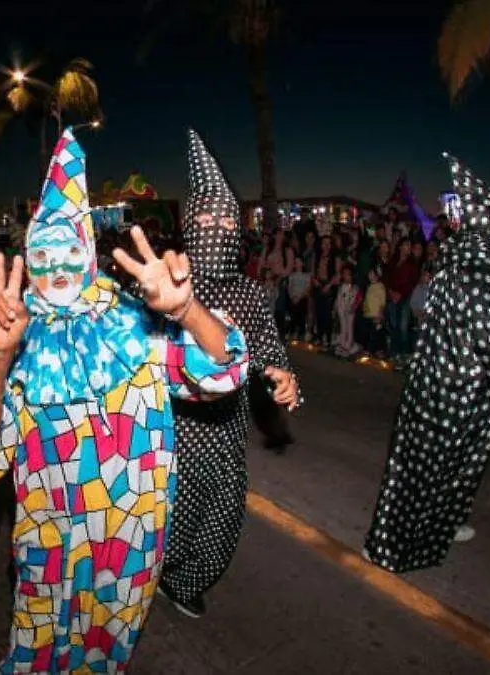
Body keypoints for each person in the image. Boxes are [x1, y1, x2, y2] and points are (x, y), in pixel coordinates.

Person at [0, 129, 250, 672]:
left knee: (106, 661)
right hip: (47, 548)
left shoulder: (137, 327)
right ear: (27, 261)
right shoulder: (17, 336)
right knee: (34, 659)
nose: (58, 266)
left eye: (69, 250)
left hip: (129, 550)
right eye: (42, 253)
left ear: (87, 252)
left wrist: (186, 312)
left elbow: (224, 369)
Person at [363, 154, 490, 572]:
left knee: (446, 470)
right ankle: (387, 545)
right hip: (453, 395)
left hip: (455, 393)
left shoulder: (463, 259)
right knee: (428, 470)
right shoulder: (478, 268)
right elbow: (486, 341)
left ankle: (441, 523)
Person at [158, 129, 300, 619]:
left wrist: (281, 372)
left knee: (223, 526)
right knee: (173, 529)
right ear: (189, 222)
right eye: (205, 214)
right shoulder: (168, 286)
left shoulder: (248, 290)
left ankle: (183, 583)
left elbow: (265, 345)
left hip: (231, 435)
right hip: (177, 440)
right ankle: (148, 578)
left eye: (225, 216)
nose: (217, 224)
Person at [334, 265, 361, 357]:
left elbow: (356, 299)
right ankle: (342, 344)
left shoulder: (355, 288)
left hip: (350, 311)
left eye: (348, 275)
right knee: (343, 327)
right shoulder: (341, 287)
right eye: (344, 274)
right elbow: (338, 298)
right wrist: (336, 307)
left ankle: (349, 345)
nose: (345, 276)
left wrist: (352, 307)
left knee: (349, 327)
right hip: (341, 310)